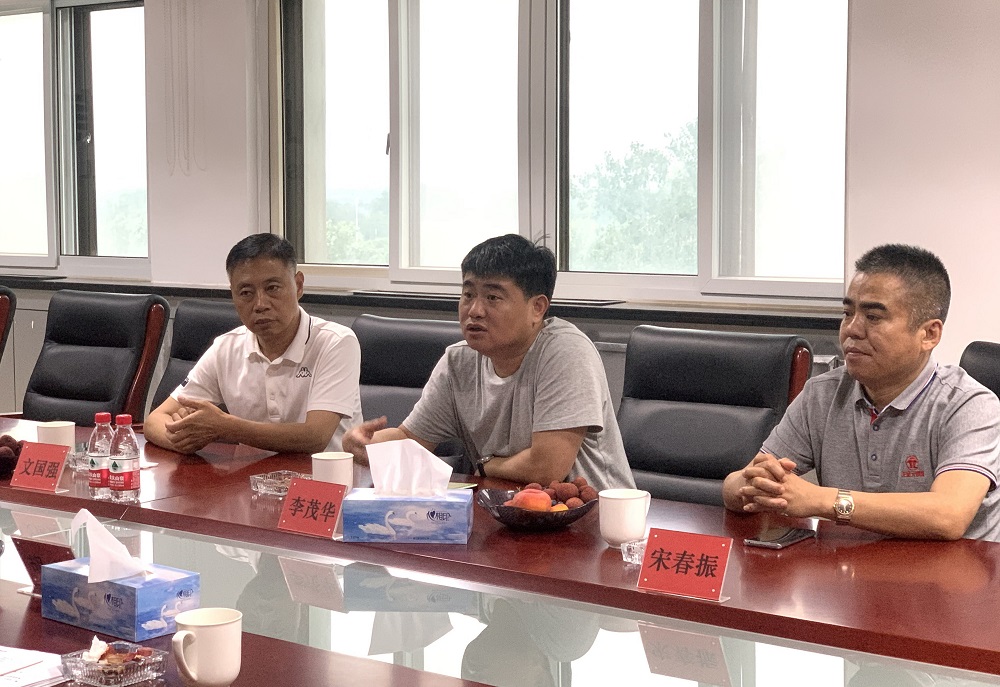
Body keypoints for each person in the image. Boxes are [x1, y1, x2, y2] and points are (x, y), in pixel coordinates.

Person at [723, 244, 1000, 541]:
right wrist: (754, 484)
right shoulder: (822, 394)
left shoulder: (969, 405)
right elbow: (733, 486)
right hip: (850, 565)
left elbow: (949, 516)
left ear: (929, 334)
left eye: (874, 317)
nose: (851, 329)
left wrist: (820, 500)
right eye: (847, 313)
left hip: (954, 570)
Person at [342, 234, 635, 491]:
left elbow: (546, 468)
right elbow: (411, 438)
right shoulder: (459, 361)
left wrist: (485, 466)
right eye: (468, 294)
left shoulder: (565, 352)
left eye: (493, 297)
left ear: (537, 308)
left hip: (591, 520)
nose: (475, 310)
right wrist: (367, 445)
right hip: (504, 513)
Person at [144, 234, 362, 455]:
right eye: (246, 293)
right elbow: (155, 421)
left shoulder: (336, 342)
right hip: (251, 476)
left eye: (272, 288)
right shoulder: (225, 348)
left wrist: (224, 427)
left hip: (326, 475)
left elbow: (315, 437)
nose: (260, 304)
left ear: (298, 285)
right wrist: (185, 437)